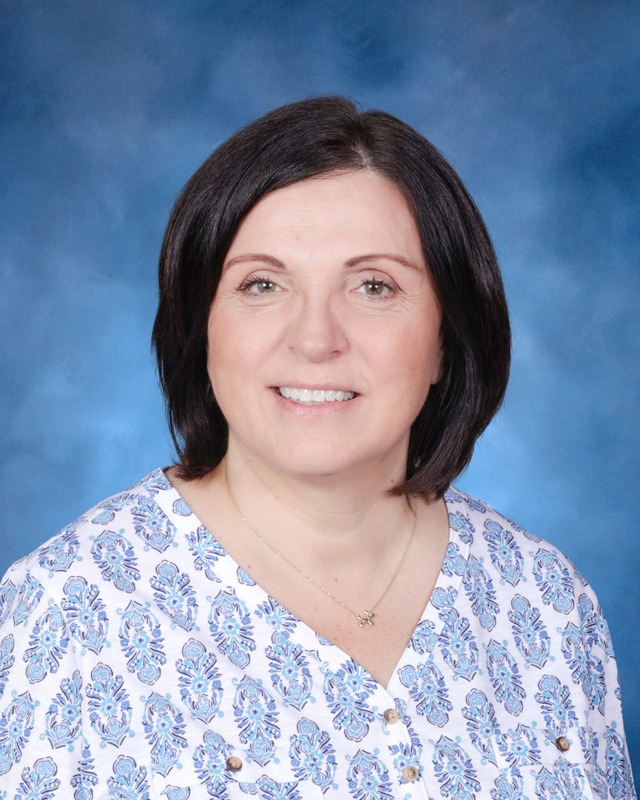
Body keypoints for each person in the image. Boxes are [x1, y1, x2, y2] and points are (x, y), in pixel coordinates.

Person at [0, 97, 635, 800]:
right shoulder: (69, 612)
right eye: (262, 284)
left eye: (373, 286)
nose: (315, 338)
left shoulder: (545, 601)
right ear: (200, 326)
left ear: (446, 339)